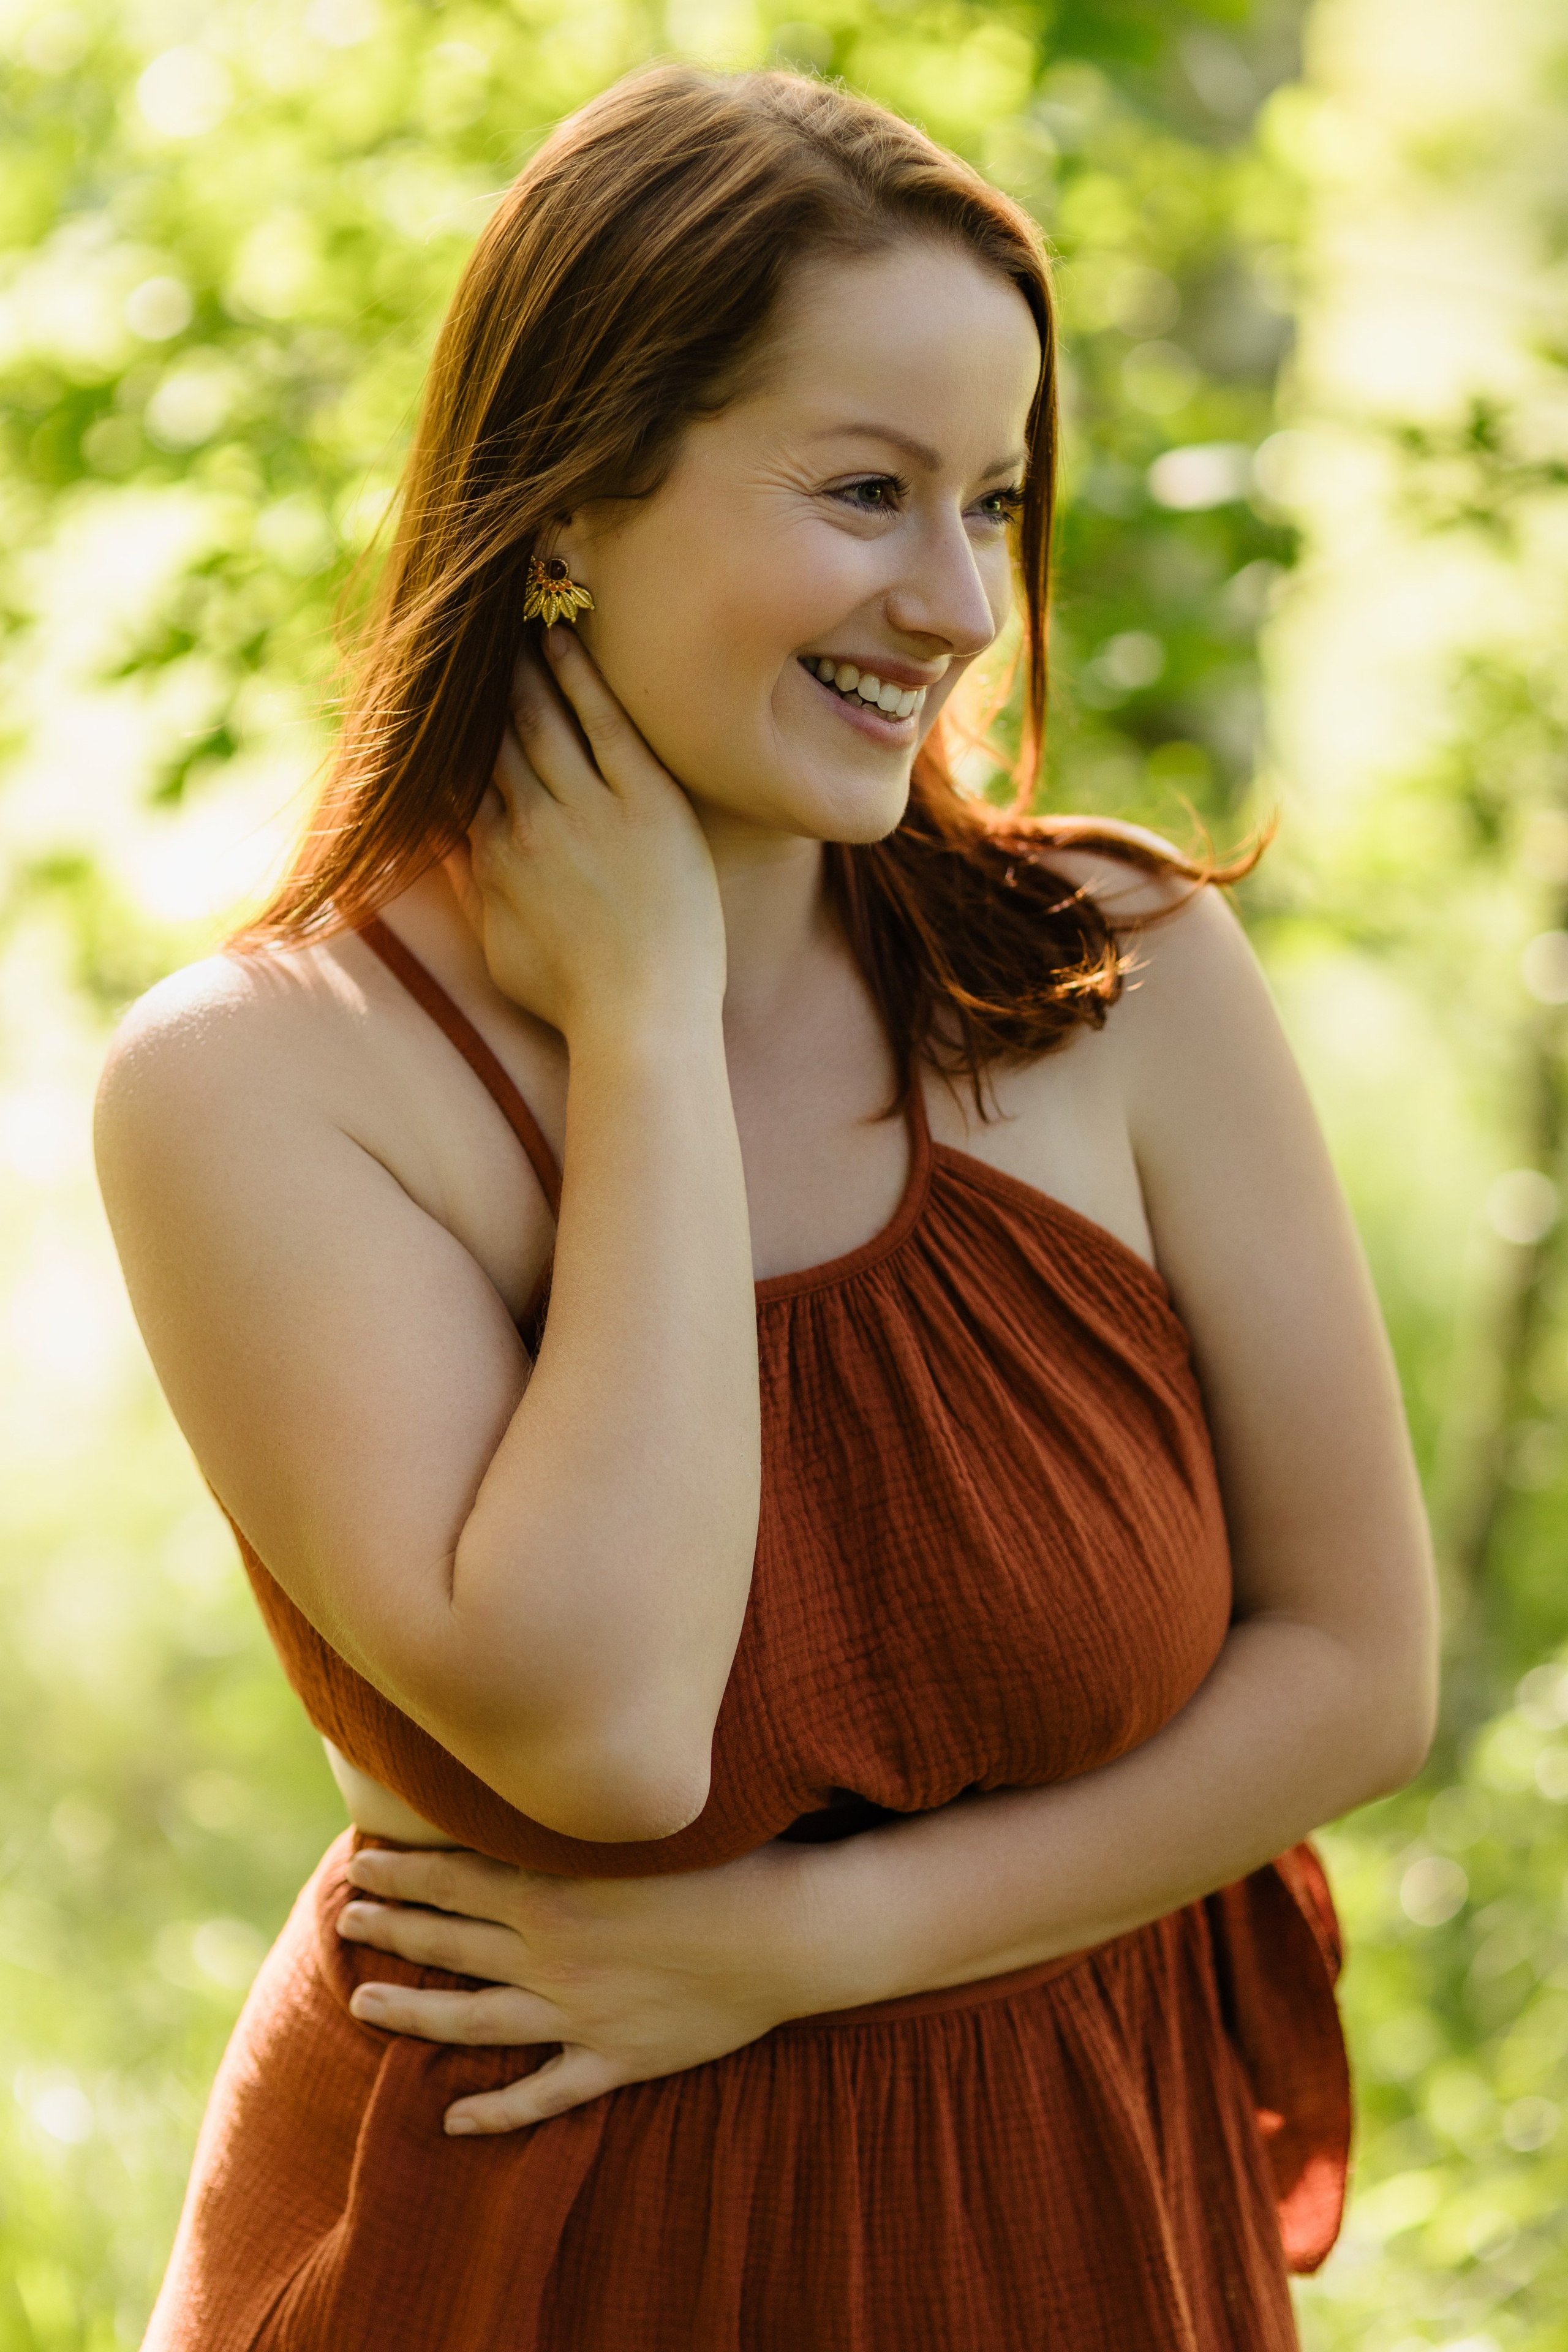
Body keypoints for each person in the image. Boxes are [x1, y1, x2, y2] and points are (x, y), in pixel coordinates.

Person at [95, 61, 1437, 2352]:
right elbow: (613, 1735)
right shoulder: (265, 1086)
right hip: (539, 2243)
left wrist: (804, 1951)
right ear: (576, 500)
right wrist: (642, 1019)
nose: (951, 605)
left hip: (1067, 2205)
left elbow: (1355, 1670)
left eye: (989, 502)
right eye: (860, 491)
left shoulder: (1112, 976)